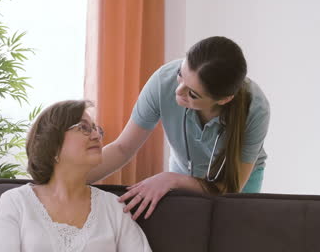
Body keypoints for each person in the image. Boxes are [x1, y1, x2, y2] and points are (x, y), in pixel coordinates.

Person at [87, 36, 270, 220]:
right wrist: (68, 180)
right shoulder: (163, 81)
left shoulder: (255, 109)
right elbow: (122, 148)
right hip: (182, 170)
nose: (178, 91)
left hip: (235, 181)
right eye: (180, 75)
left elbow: (231, 186)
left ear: (223, 100)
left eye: (192, 94)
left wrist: (171, 179)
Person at [0, 100, 152, 252]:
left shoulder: (113, 207)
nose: (96, 136)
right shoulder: (16, 202)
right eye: (83, 128)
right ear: (53, 143)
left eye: (96, 129)